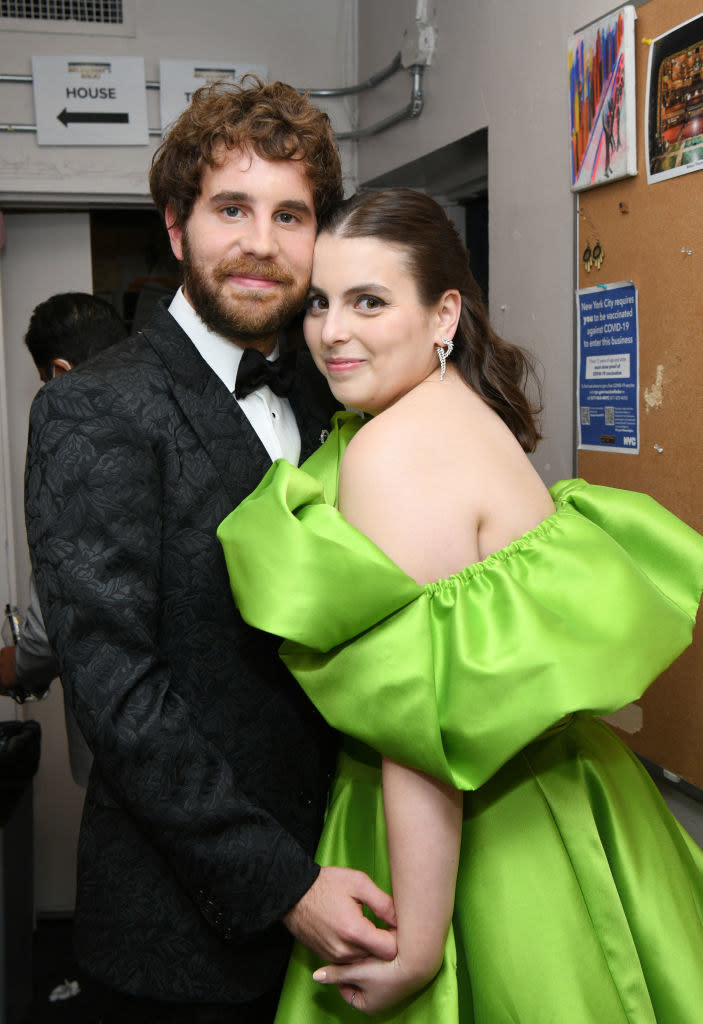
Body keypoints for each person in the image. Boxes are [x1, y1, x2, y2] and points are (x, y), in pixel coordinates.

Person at [219, 188, 703, 1022]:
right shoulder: (462, 415)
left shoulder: (395, 450)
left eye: (369, 301)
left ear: (443, 316)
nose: (332, 331)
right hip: (568, 796)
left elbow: (422, 727)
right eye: (321, 303)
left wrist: (418, 944)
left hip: (476, 840)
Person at [24, 82, 396, 1024]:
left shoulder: (335, 393)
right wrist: (283, 885)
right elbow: (119, 695)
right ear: (177, 225)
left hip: (354, 885)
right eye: (232, 208)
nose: (262, 244)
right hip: (180, 942)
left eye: (290, 214)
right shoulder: (92, 407)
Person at [1, 291, 127, 786]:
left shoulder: (74, 446)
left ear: (59, 371)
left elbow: (52, 624)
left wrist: (14, 666)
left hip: (115, 733)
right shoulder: (163, 415)